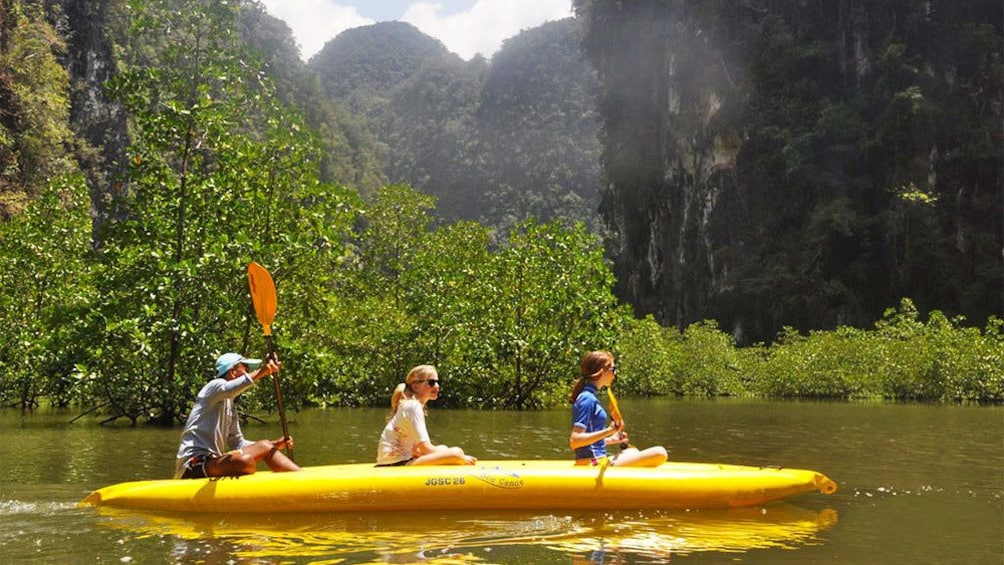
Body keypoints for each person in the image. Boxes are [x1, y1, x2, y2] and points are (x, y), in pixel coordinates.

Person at [174, 352, 301, 479]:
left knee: (265, 446)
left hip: (212, 461)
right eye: (245, 368)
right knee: (244, 461)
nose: (247, 372)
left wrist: (275, 444)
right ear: (233, 371)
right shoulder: (214, 386)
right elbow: (230, 389)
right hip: (193, 464)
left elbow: (237, 442)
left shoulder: (230, 404)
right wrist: (264, 370)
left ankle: (299, 478)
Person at [568, 351, 668, 467]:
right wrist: (608, 431)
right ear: (602, 370)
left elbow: (587, 445)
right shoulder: (587, 398)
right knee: (660, 452)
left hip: (596, 459)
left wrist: (611, 439)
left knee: (632, 451)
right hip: (592, 463)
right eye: (613, 370)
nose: (614, 375)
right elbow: (575, 441)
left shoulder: (589, 396)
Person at [377, 364, 477, 466]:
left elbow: (416, 449)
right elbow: (425, 448)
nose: (437, 386)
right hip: (398, 463)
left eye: (438, 382)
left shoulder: (409, 405)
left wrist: (445, 453)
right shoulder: (413, 406)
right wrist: (458, 457)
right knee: (457, 452)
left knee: (444, 448)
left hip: (396, 461)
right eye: (431, 382)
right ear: (415, 386)